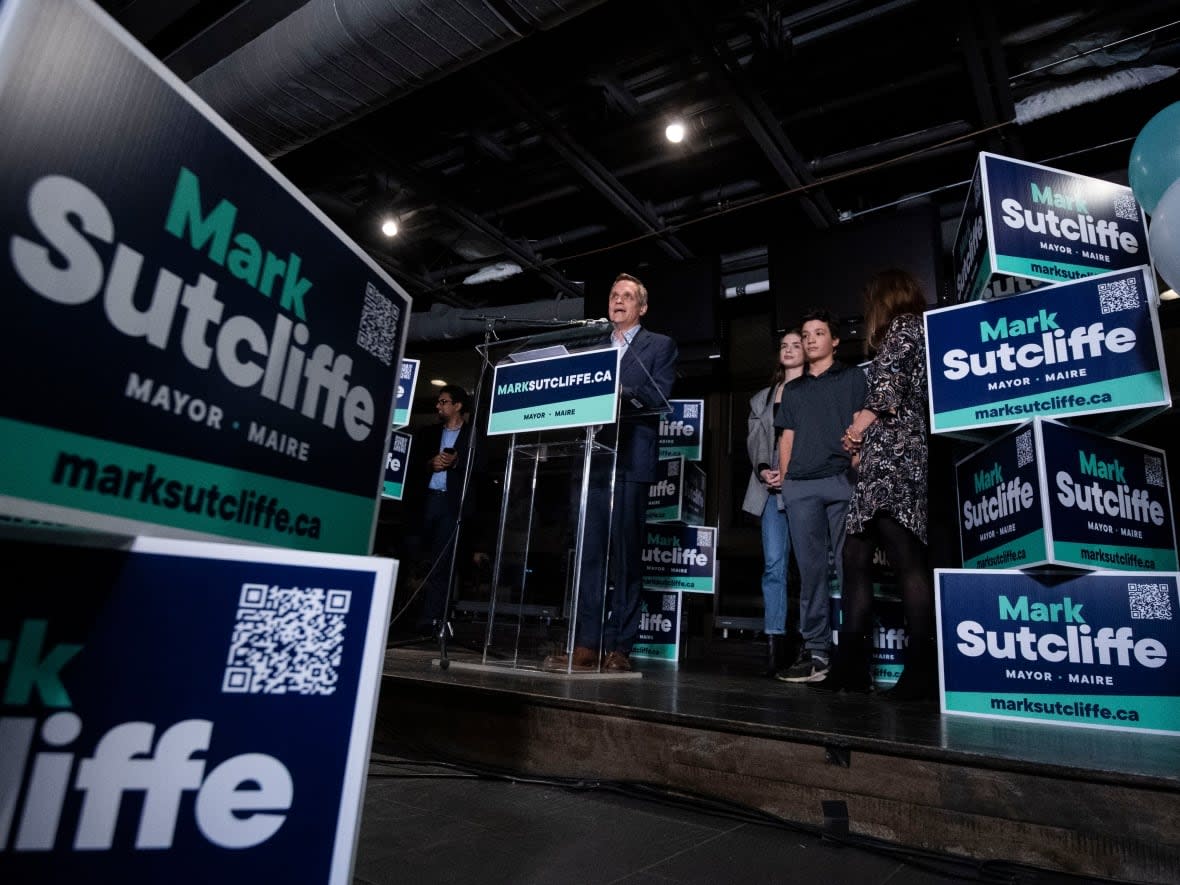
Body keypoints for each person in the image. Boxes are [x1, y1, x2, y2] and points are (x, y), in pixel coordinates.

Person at [544, 273, 678, 673]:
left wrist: (622, 393)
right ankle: (586, 643)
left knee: (625, 559)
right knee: (589, 556)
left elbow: (660, 396)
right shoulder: (591, 347)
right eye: (613, 294)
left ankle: (620, 645)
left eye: (627, 296)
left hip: (631, 461)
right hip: (593, 462)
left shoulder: (660, 346)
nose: (618, 300)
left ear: (642, 308)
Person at [813, 268, 935, 700]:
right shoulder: (913, 332)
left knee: (906, 560)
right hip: (884, 461)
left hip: (897, 462)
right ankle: (850, 668)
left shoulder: (904, 327)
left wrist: (855, 430)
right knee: (854, 556)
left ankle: (922, 673)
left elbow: (886, 393)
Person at [773, 309, 866, 683]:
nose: (810, 340)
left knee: (850, 572)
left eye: (818, 333)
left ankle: (855, 658)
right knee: (810, 576)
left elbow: (861, 421)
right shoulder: (792, 389)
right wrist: (788, 483)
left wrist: (859, 473)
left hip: (842, 480)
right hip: (802, 487)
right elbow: (786, 438)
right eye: (806, 334)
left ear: (835, 340)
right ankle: (816, 653)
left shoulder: (853, 376)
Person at [741, 329, 805, 677]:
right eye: (785, 345)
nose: (791, 350)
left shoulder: (816, 390)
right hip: (769, 491)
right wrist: (765, 470)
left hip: (805, 487)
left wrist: (791, 471)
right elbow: (755, 442)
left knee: (810, 569)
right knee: (774, 566)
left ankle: (812, 641)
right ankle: (775, 642)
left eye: (797, 345)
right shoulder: (761, 399)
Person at [405, 384, 475, 635]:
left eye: (444, 402)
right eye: (438, 402)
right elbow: (411, 466)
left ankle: (432, 619)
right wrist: (429, 463)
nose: (438, 406)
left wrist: (457, 462)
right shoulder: (427, 434)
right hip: (424, 502)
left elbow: (482, 469)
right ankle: (403, 612)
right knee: (414, 555)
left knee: (441, 562)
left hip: (450, 504)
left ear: (457, 406)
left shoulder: (473, 436)